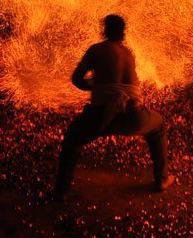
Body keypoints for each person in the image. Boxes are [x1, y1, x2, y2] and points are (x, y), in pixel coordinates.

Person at [53, 14, 173, 200]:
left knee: (72, 141)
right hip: (133, 116)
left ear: (105, 31)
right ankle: (161, 179)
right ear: (123, 34)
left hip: (100, 116)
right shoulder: (128, 54)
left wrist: (93, 85)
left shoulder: (96, 50)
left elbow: (76, 79)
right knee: (158, 127)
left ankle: (62, 191)